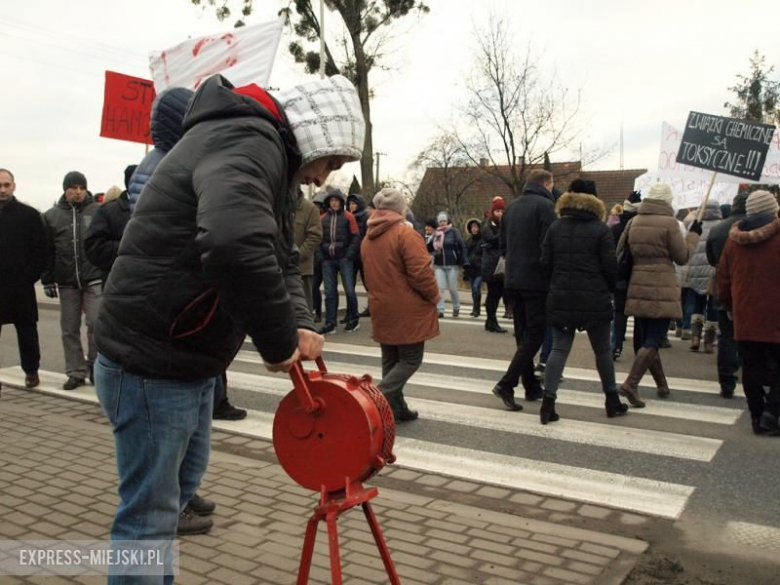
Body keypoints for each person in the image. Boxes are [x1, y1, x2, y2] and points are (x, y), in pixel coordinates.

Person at [92, 73, 362, 576]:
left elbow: (277, 254)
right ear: (316, 136)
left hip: (185, 359)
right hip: (151, 360)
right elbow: (234, 244)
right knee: (148, 520)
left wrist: (298, 322)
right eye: (333, 161)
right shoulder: (248, 140)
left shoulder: (264, 155)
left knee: (170, 504)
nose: (324, 178)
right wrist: (277, 341)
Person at [538, 181, 629, 423]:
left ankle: (548, 404)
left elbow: (545, 263)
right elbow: (611, 268)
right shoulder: (600, 229)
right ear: (595, 201)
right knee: (602, 351)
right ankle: (612, 400)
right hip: (594, 297)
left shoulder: (556, 227)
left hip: (561, 295)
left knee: (558, 349)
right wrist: (608, 290)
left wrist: (555, 285)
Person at [617, 182, 700, 407]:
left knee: (645, 338)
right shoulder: (669, 223)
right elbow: (682, 257)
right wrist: (693, 237)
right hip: (662, 285)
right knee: (654, 339)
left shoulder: (634, 221)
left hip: (637, 283)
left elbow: (621, 251)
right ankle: (631, 384)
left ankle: (661, 384)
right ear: (667, 201)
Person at [361, 188, 440, 422]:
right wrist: (434, 296)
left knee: (391, 359)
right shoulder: (406, 234)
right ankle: (375, 399)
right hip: (407, 307)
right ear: (400, 209)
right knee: (410, 359)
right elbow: (421, 273)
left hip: (381, 304)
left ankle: (395, 409)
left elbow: (366, 273)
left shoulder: (368, 237)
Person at [491, 170, 556, 410]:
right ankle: (507, 383)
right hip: (537, 280)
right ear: (546, 184)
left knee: (523, 334)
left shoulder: (512, 207)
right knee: (535, 334)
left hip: (513, 278)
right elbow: (548, 246)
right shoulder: (546, 207)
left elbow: (503, 245)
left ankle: (530, 385)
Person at [718, 190, 780, 435]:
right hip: (776, 314)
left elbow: (722, 280)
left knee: (751, 368)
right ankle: (772, 412)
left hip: (744, 313)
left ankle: (756, 417)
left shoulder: (734, 241)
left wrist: (731, 307)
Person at [42, 171, 103, 391]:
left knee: (96, 323)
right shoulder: (51, 216)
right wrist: (48, 279)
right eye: (73, 188)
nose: (77, 192)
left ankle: (95, 365)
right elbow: (47, 251)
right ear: (65, 189)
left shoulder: (97, 211)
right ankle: (75, 371)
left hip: (94, 277)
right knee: (69, 328)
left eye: (81, 188)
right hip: (67, 280)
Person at [0, 169, 46, 391]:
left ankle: (31, 371)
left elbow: (41, 250)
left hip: (21, 285)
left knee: (27, 331)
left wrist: (29, 276)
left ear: (14, 186)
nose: (2, 189)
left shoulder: (29, 215)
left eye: (6, 185)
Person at [706, 190, 748, 398]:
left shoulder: (718, 228)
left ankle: (726, 380)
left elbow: (711, 258)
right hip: (752, 289)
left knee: (727, 335)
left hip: (724, 285)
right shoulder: (764, 228)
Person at [85, 165, 137, 288]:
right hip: (118, 286)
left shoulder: (161, 209)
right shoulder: (108, 211)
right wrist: (129, 249)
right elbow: (94, 248)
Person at [318, 188, 361, 334]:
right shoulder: (323, 218)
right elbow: (317, 238)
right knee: (329, 292)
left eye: (336, 200)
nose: (334, 203)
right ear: (328, 202)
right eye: (332, 200)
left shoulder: (349, 217)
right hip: (328, 260)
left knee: (349, 290)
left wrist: (348, 255)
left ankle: (353, 319)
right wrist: (321, 256)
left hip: (344, 259)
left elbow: (356, 237)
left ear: (341, 202)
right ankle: (330, 322)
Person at [683, 200, 722, 352]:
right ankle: (709, 341)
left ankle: (695, 337)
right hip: (713, 271)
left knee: (697, 303)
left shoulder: (695, 224)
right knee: (712, 306)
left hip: (695, 269)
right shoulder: (720, 226)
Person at [610, 190, 641, 360]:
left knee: (620, 312)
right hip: (639, 277)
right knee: (639, 314)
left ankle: (616, 345)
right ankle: (639, 347)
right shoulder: (641, 228)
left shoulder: (615, 229)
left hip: (620, 276)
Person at [430, 212, 469, 318]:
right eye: (440, 221)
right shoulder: (436, 234)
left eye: (444, 221)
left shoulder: (454, 232)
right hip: (439, 265)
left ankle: (456, 307)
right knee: (440, 288)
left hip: (452, 265)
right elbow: (430, 248)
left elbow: (462, 246)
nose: (442, 223)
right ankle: (440, 310)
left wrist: (465, 261)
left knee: (452, 288)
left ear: (447, 221)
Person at [294, 188, 323, 315]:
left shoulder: (310, 209)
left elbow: (315, 236)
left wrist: (298, 255)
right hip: (278, 268)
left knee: (303, 308)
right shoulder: (277, 206)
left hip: (302, 268)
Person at [481, 198, 507, 333]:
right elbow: (491, 239)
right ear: (492, 212)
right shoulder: (487, 227)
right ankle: (492, 321)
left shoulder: (502, 226)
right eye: (497, 211)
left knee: (497, 294)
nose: (500, 214)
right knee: (493, 294)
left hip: (500, 265)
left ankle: (490, 321)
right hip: (491, 266)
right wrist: (503, 233)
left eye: (502, 211)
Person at [347, 192, 371, 317]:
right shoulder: (347, 217)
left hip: (363, 254)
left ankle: (371, 308)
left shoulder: (366, 217)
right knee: (350, 285)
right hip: (351, 255)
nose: (351, 206)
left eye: (354, 203)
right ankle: (350, 311)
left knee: (368, 284)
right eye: (350, 203)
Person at [464, 218, 483, 317]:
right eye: (472, 227)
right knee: (473, 289)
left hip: (480, 268)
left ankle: (477, 308)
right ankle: (475, 309)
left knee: (476, 287)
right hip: (471, 269)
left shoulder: (483, 240)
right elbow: (465, 253)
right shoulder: (468, 241)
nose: (474, 229)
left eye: (476, 227)